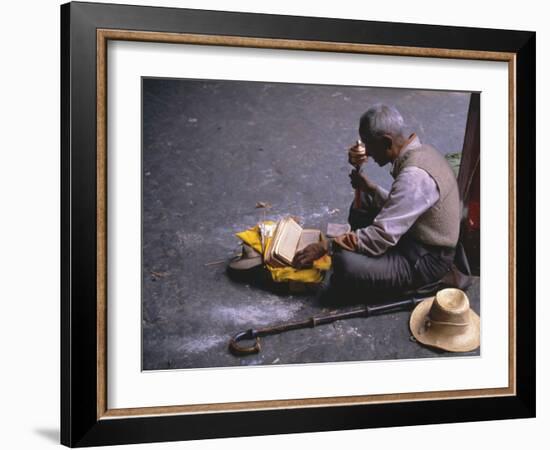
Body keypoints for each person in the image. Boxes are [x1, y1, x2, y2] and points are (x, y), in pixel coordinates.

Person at [292, 104, 464, 302]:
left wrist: (327, 246)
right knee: (366, 198)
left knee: (343, 263)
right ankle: (367, 256)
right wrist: (370, 188)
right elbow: (402, 207)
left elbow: (381, 236)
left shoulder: (414, 177)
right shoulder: (422, 151)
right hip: (415, 234)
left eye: (369, 145)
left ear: (386, 142)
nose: (368, 154)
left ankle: (398, 276)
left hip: (426, 259)